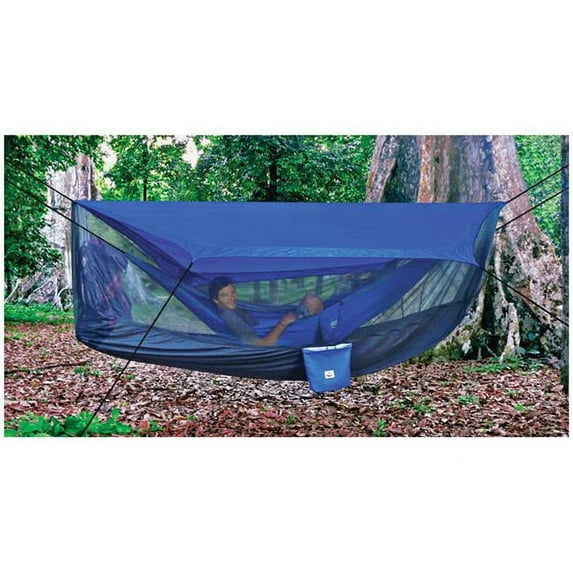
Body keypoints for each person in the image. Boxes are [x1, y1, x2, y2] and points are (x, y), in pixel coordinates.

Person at [208, 276, 297, 346]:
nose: (232, 298)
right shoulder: (230, 317)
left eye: (233, 292)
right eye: (225, 295)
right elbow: (263, 345)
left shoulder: (233, 310)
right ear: (216, 300)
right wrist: (283, 323)